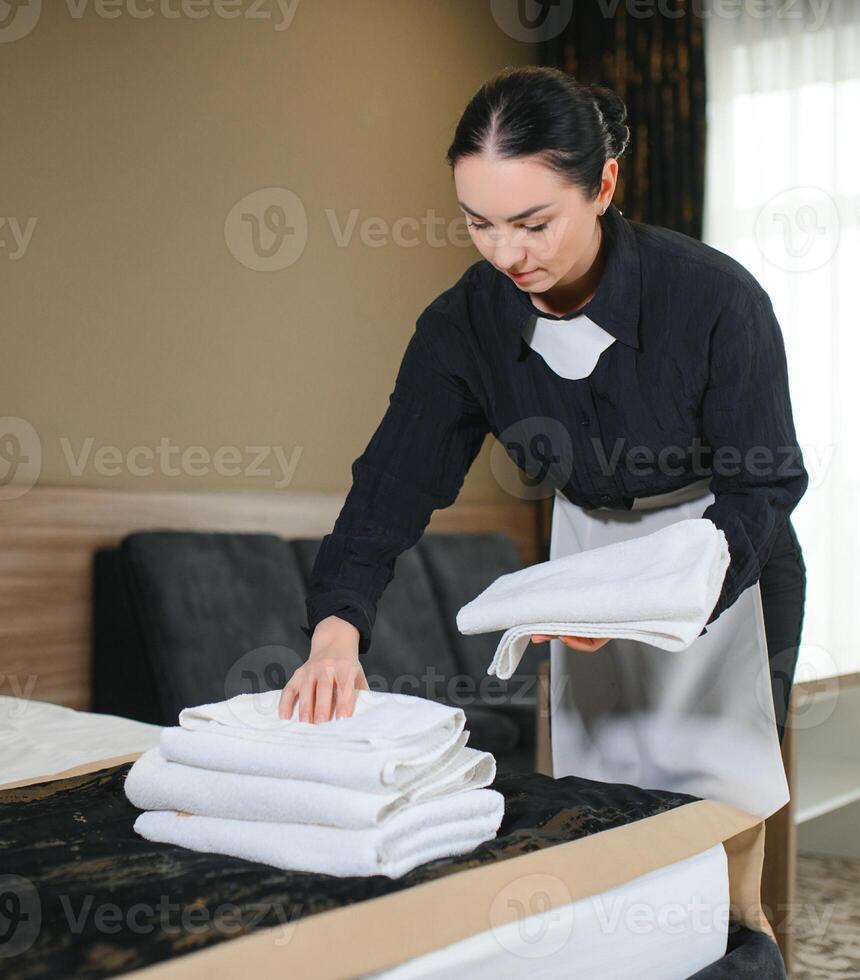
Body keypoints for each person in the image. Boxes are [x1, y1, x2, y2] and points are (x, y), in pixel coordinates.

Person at [277, 66, 807, 818]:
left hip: (721, 546)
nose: (505, 255)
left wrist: (663, 598)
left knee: (724, 795)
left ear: (602, 185)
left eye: (532, 224)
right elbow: (391, 486)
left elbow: (765, 484)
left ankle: (746, 928)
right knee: (606, 797)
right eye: (477, 223)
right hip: (588, 552)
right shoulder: (462, 327)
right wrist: (336, 628)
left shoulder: (713, 298)